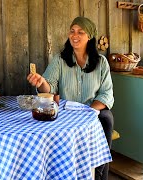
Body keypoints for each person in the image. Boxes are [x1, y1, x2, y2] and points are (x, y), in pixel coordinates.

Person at [27, 16, 114, 180]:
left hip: (92, 111)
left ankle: (101, 173)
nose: (75, 35)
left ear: (90, 36)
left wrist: (89, 111)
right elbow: (49, 88)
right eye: (72, 31)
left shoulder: (101, 62)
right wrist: (41, 82)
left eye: (81, 32)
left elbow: (106, 94)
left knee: (107, 118)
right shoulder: (60, 60)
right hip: (67, 112)